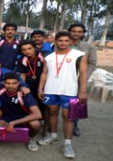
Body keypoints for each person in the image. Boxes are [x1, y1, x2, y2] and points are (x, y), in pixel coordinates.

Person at [37, 31, 88, 159]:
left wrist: (82, 91)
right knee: (52, 112)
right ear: (55, 41)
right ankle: (53, 136)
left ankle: (68, 144)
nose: (63, 43)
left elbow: (83, 74)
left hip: (69, 91)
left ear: (70, 41)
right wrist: (40, 88)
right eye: (60, 40)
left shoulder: (79, 55)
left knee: (68, 117)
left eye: (66, 40)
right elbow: (44, 73)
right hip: (50, 90)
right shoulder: (48, 56)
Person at [0, 72, 42, 152]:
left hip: (24, 118)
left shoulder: (25, 93)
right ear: (3, 83)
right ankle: (12, 133)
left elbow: (38, 114)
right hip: (7, 117)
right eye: (7, 83)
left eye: (14, 83)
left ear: (18, 83)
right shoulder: (0, 89)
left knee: (35, 124)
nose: (10, 86)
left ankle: (31, 138)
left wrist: (13, 123)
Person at [68, 23, 97, 137]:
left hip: (79, 79)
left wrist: (83, 76)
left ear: (83, 33)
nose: (76, 33)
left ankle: (74, 125)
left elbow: (92, 63)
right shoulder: (62, 43)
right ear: (69, 31)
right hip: (62, 78)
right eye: (74, 31)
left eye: (79, 32)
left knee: (76, 103)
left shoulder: (89, 47)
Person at [16, 40, 47, 134]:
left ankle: (44, 124)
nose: (27, 51)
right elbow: (22, 74)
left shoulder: (43, 57)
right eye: (24, 50)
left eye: (30, 48)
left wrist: (43, 87)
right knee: (30, 104)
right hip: (30, 85)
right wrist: (23, 86)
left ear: (35, 48)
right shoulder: (22, 59)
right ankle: (32, 122)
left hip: (43, 85)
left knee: (44, 105)